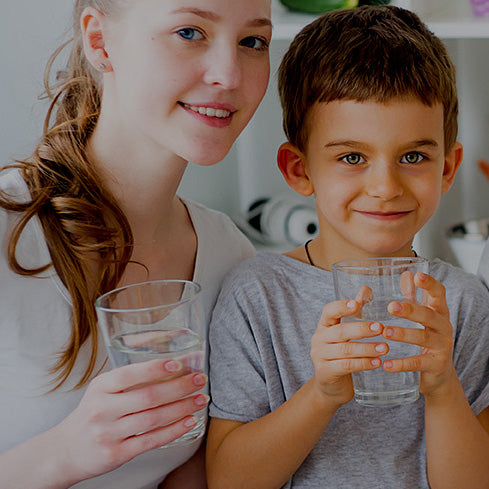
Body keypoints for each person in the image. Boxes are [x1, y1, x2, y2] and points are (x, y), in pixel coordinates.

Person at [206, 6, 489, 489]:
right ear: (299, 169)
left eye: (414, 156)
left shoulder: (463, 303)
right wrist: (321, 392)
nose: (384, 186)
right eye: (352, 157)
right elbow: (230, 481)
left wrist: (442, 389)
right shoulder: (258, 295)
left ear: (447, 167)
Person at [0, 0, 272, 487]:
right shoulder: (7, 233)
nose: (230, 75)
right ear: (100, 41)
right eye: (189, 32)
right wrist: (63, 454)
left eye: (252, 42)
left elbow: (194, 468)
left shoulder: (228, 256)